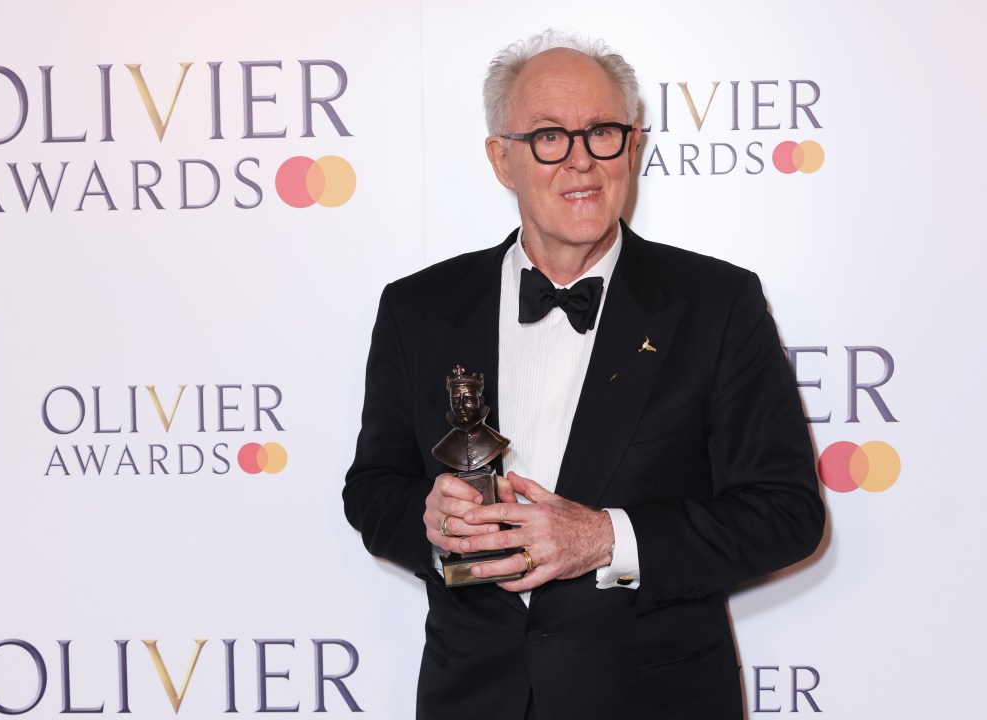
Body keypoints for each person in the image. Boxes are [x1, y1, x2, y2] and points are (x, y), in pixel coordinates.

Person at [343, 30, 825, 720]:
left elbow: (785, 514)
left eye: (601, 132)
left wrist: (604, 538)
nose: (581, 161)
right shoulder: (417, 308)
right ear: (501, 159)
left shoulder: (717, 304)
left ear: (631, 147)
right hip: (472, 698)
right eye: (548, 136)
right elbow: (372, 490)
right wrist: (429, 522)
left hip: (653, 700)